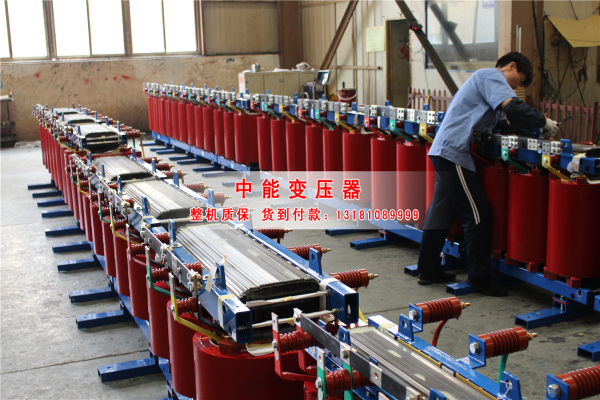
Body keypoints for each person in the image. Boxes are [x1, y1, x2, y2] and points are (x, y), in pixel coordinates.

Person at [417, 52, 558, 296]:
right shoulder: (490, 75)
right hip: (454, 153)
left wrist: (536, 132)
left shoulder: (485, 88)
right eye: (517, 81)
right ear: (511, 66)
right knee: (478, 214)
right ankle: (479, 276)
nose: (514, 88)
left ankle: (428, 269)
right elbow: (513, 108)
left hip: (445, 151)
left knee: (441, 211)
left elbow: (502, 124)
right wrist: (542, 121)